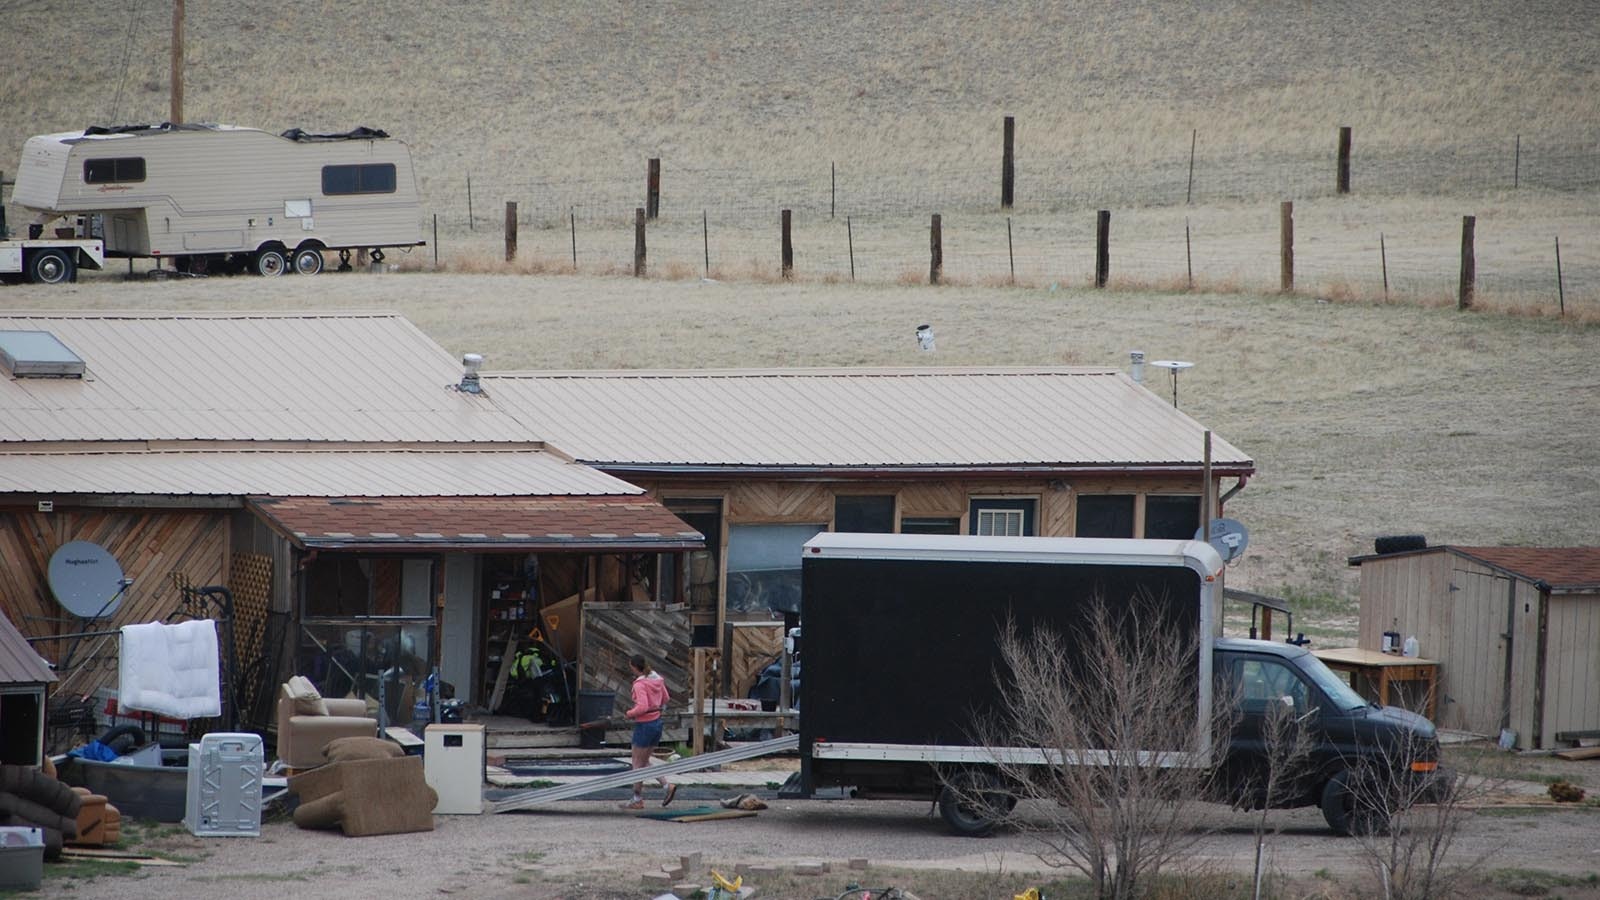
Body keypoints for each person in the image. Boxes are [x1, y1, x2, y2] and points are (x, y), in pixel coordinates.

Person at [622, 654, 676, 810]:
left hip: (644, 725)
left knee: (637, 764)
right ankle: (667, 786)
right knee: (644, 761)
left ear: (634, 667)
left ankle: (637, 799)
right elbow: (665, 698)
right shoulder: (657, 679)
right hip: (657, 724)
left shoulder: (639, 684)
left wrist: (629, 713)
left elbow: (643, 707)